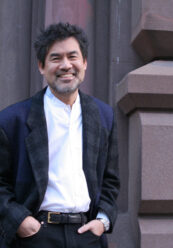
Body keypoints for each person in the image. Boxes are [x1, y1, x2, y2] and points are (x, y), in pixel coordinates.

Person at [0, 23, 120, 248]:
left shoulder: (105, 117)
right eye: (56, 58)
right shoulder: (11, 120)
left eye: (73, 56)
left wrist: (102, 221)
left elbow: (111, 180)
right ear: (41, 66)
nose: (66, 65)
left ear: (84, 62)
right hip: (35, 236)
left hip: (88, 235)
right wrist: (20, 221)